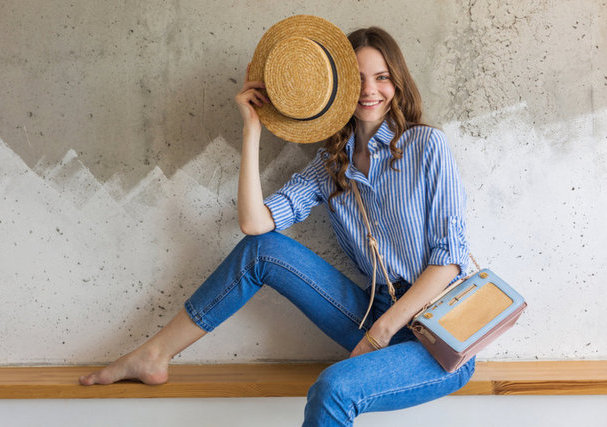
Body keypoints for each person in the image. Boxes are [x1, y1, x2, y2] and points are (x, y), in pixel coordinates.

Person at [80, 23, 475, 426]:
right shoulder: (331, 165)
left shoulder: (427, 146)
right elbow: (255, 225)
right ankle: (154, 354)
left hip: (441, 336)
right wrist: (252, 129)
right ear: (339, 88)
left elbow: (449, 260)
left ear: (398, 83)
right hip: (374, 311)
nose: (369, 90)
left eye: (382, 77)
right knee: (262, 250)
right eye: (357, 80)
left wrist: (380, 334)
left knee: (333, 389)